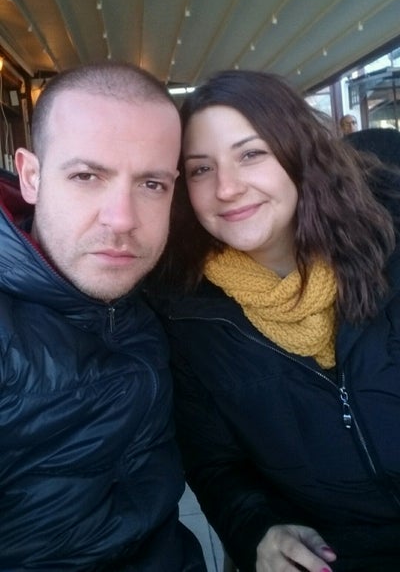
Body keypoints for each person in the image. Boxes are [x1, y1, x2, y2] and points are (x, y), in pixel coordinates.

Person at [149, 70, 400, 572]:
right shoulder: (186, 314)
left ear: (299, 154)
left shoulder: (389, 247)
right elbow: (214, 463)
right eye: (201, 169)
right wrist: (257, 530)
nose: (226, 188)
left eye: (251, 154)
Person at [0, 62, 206, 571]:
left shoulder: (162, 294)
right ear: (31, 176)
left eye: (151, 184)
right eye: (87, 176)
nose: (122, 220)